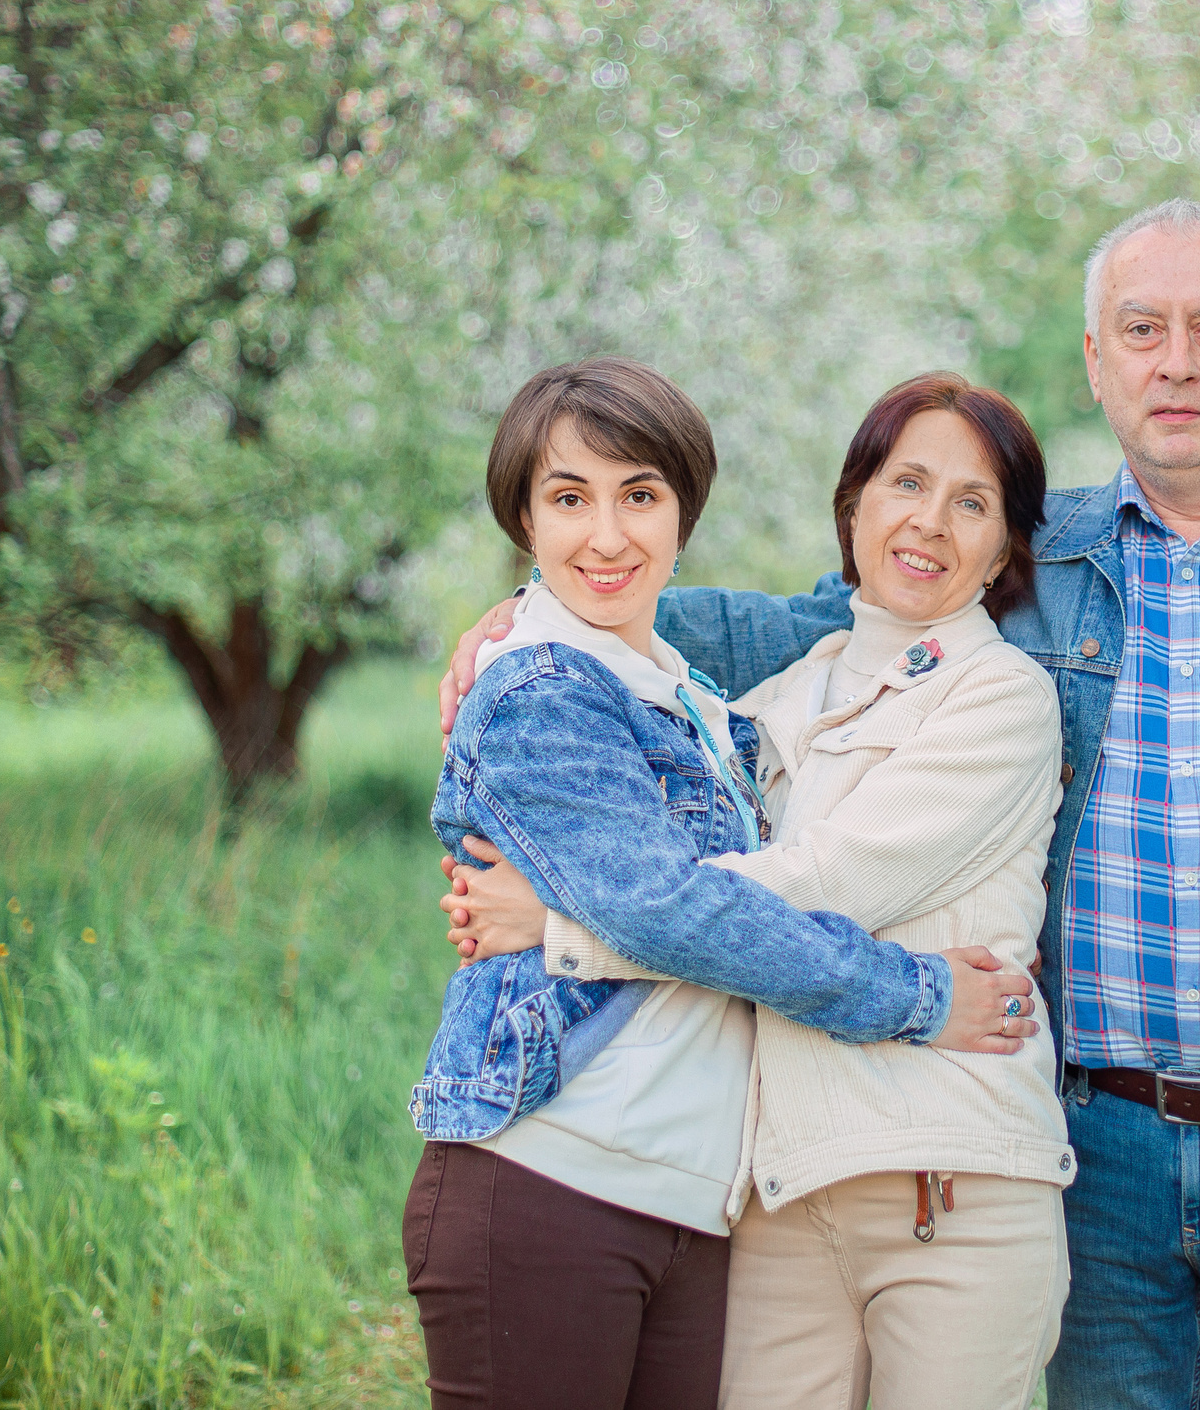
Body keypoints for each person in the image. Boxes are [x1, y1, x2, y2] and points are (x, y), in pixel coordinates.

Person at [443, 201, 1200, 1410]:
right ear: (1095, 357)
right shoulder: (1035, 554)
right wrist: (526, 615)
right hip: (1100, 1146)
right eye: (1141, 328)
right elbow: (797, 620)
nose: (1175, 360)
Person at [410, 356, 1038, 1410]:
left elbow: (710, 897)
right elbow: (674, 909)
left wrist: (564, 923)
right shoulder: (544, 690)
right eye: (567, 500)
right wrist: (919, 995)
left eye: (639, 496)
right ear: (522, 519)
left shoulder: (696, 695)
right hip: (557, 1171)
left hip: (697, 1201)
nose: (606, 535)